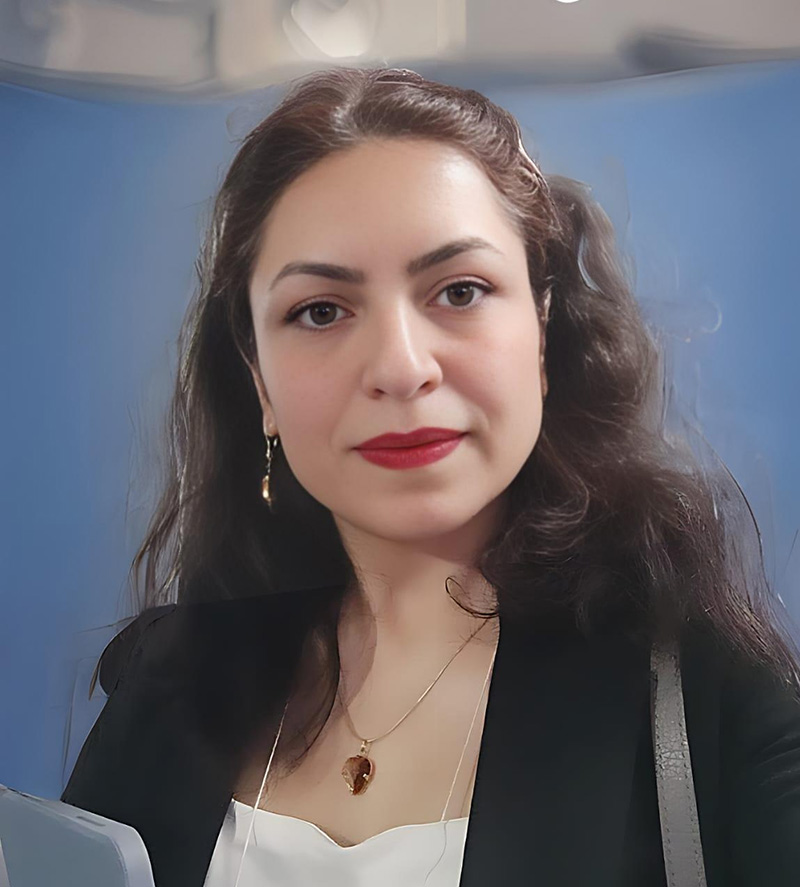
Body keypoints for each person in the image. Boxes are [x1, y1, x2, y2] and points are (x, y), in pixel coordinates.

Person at [61, 66, 800, 887]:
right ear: (259, 379)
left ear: (543, 329)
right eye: (321, 310)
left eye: (459, 290)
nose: (401, 368)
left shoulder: (706, 698)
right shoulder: (166, 686)